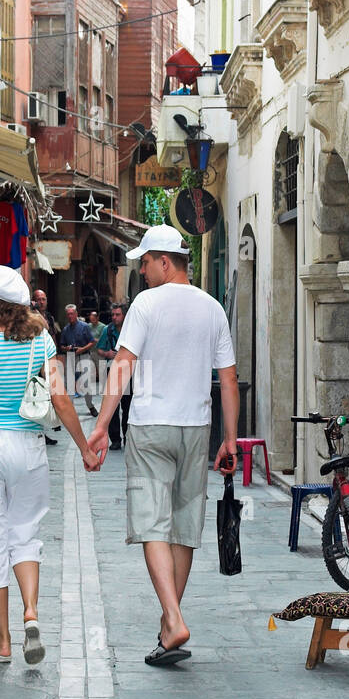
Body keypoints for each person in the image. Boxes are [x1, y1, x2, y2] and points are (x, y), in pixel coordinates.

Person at [87, 225, 239, 667]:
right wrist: (229, 439)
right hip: (195, 428)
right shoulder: (212, 308)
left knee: (153, 524)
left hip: (151, 427)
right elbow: (227, 379)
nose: (142, 270)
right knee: (184, 526)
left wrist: (100, 426)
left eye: (146, 262)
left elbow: (123, 364)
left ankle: (173, 618)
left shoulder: (146, 304)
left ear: (165, 261)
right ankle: (168, 623)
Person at [0, 265, 100, 666]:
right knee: (25, 535)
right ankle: (31, 611)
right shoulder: (41, 341)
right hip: (27, 447)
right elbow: (61, 400)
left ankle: (4, 642)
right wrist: (84, 447)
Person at [95, 302, 131, 450]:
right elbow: (100, 349)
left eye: (118, 315)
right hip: (112, 370)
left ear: (124, 315)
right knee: (113, 406)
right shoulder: (107, 330)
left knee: (128, 406)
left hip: (129, 371)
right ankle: (115, 439)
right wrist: (107, 353)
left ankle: (128, 438)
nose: (114, 317)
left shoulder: (131, 329)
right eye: (113, 315)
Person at [59, 303, 99, 417]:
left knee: (86, 384)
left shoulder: (84, 326)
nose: (70, 316)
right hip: (71, 357)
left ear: (76, 314)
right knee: (70, 384)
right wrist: (65, 348)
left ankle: (90, 406)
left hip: (84, 356)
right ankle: (70, 409)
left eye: (72, 313)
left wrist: (82, 349)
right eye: (68, 314)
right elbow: (61, 345)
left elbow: (92, 341)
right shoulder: (66, 329)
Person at [32, 289, 61, 444]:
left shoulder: (49, 316)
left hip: (48, 358)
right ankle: (40, 430)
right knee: (37, 394)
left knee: (48, 394)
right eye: (39, 299)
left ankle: (46, 428)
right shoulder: (30, 315)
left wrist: (55, 355)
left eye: (44, 299)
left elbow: (53, 335)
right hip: (36, 360)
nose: (42, 302)